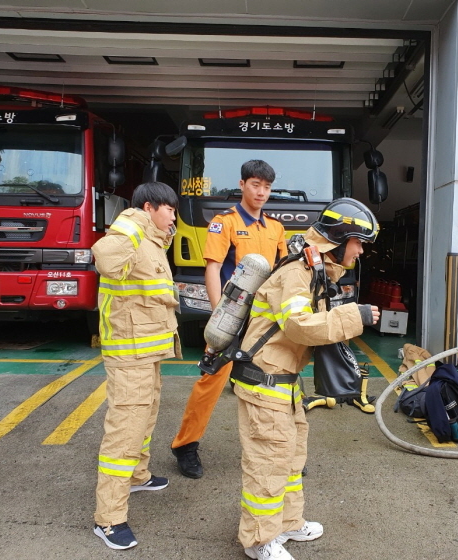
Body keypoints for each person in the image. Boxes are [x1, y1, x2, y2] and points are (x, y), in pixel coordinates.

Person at [231, 198, 380, 560]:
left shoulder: (314, 270)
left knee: (291, 457)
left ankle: (287, 523)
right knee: (268, 461)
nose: (360, 251)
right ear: (340, 239)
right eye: (358, 242)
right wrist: (353, 316)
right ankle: (258, 541)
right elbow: (298, 326)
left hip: (283, 381)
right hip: (263, 381)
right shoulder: (297, 273)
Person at [171, 160, 287, 478]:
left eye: (266, 186)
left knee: (273, 384)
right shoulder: (225, 222)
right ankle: (185, 445)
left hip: (264, 320)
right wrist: (218, 317)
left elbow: (280, 273)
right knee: (212, 382)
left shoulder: (276, 228)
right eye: (255, 185)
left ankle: (277, 449)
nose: (261, 192)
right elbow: (212, 268)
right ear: (242, 184)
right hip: (233, 316)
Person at [92, 181, 181, 550]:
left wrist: (162, 230)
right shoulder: (128, 230)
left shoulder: (152, 241)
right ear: (149, 207)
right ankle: (108, 519)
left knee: (145, 418)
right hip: (128, 354)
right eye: (169, 210)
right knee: (125, 430)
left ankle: (137, 475)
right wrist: (135, 220)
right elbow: (105, 257)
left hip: (147, 351)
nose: (173, 216)